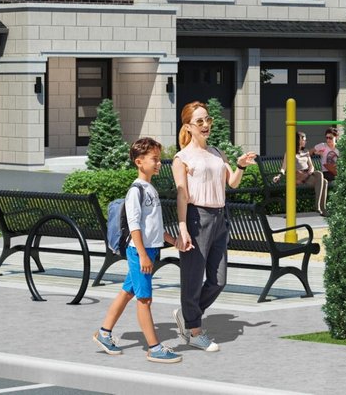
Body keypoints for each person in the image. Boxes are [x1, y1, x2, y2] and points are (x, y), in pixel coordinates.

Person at [172, 101, 257, 352]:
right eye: (200, 121)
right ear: (188, 126)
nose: (206, 125)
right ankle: (195, 331)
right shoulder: (182, 158)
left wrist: (240, 165)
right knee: (193, 277)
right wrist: (183, 227)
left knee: (219, 280)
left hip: (220, 217)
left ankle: (189, 313)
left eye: (208, 119)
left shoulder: (218, 152)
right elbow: (181, 195)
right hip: (197, 218)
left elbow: (232, 183)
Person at [94, 137, 182, 363]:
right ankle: (154, 348)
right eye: (154, 159)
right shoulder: (136, 191)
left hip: (149, 251)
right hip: (139, 252)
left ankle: (104, 333)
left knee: (127, 292)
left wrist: (174, 241)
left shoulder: (150, 188)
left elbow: (154, 227)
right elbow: (134, 225)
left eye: (159, 159)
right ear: (139, 162)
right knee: (144, 300)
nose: (159, 163)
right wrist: (142, 254)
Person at [271, 130, 329, 214]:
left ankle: (320, 207)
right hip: (297, 176)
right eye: (304, 139)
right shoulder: (289, 152)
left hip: (307, 174)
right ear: (299, 140)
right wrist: (279, 176)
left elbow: (311, 166)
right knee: (324, 181)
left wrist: (310, 172)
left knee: (320, 175)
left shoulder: (306, 151)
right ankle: (321, 208)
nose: (306, 141)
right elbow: (283, 167)